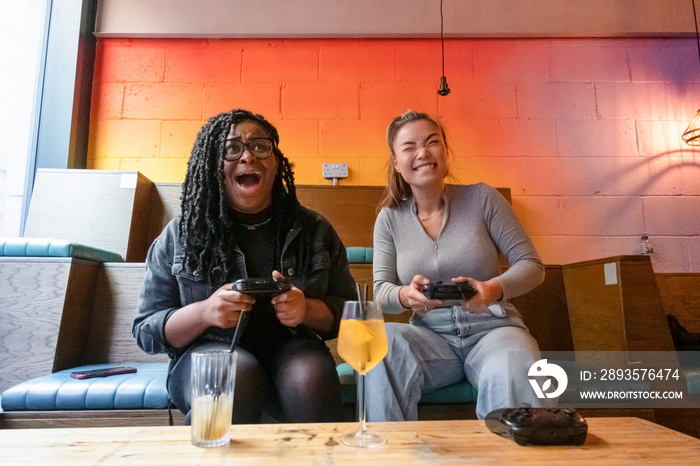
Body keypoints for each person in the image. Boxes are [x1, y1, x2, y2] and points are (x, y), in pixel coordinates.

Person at [133, 109, 356, 423]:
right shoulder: (181, 234)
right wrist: (205, 312)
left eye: (259, 146)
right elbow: (147, 330)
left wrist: (305, 309)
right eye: (231, 148)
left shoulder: (314, 229)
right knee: (234, 375)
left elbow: (349, 313)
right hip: (205, 352)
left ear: (276, 161)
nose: (247, 156)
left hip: (292, 347)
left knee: (310, 377)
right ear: (213, 164)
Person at [366, 110, 547, 421]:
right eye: (409, 147)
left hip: (494, 332)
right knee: (380, 344)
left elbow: (531, 265)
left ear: (446, 152)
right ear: (396, 162)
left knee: (516, 364)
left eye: (432, 142)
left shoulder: (483, 198)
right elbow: (381, 291)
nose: (422, 153)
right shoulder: (389, 218)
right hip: (430, 340)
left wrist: (492, 288)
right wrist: (407, 296)